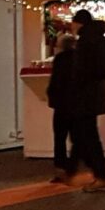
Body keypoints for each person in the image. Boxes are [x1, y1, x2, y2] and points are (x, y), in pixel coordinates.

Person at [69, 10, 105, 192]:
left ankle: (101, 175)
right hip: (96, 95)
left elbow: (81, 70)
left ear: (79, 23)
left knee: (88, 136)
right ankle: (92, 170)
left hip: (85, 95)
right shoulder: (100, 40)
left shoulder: (86, 42)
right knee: (88, 134)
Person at [46, 30, 77, 183]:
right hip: (76, 102)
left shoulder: (59, 60)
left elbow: (55, 81)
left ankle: (60, 168)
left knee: (59, 138)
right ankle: (72, 166)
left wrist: (51, 97)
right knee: (76, 137)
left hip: (61, 104)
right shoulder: (80, 58)